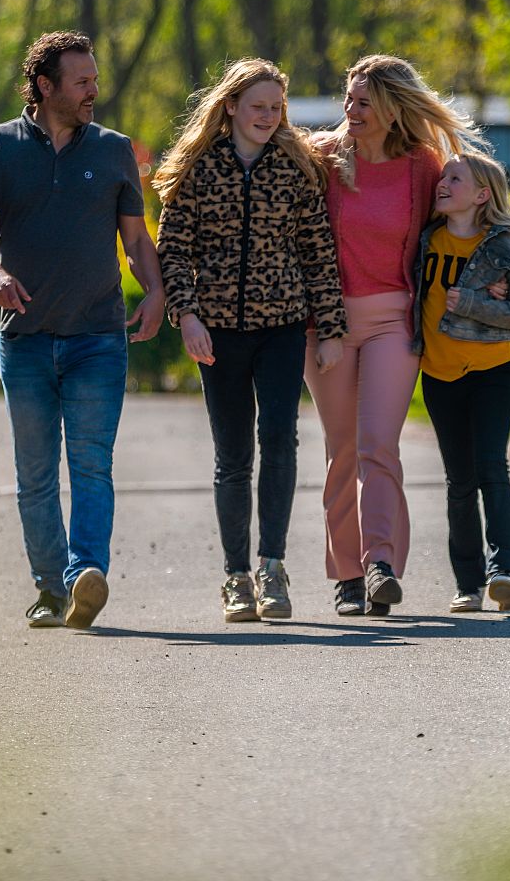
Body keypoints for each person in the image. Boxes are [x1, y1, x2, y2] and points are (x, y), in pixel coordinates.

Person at [0, 30, 164, 630]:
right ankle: (51, 589)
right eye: (82, 81)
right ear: (46, 87)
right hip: (23, 343)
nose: (94, 90)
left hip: (98, 338)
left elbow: (135, 239)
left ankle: (85, 575)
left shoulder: (114, 149)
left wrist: (154, 292)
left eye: (95, 79)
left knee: (92, 465)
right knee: (36, 477)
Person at [153, 59, 346, 623]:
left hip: (283, 326)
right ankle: (235, 575)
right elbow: (173, 250)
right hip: (217, 332)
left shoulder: (295, 168)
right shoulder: (196, 171)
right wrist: (186, 316)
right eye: (258, 106)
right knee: (232, 455)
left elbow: (318, 252)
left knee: (280, 441)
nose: (268, 116)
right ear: (231, 106)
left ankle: (272, 567)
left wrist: (331, 329)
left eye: (276, 108)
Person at [305, 54, 487, 616]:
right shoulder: (322, 158)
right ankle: (347, 575)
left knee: (377, 444)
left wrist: (495, 279)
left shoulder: (423, 167)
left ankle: (381, 563)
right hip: (327, 324)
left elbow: (459, 228)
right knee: (340, 451)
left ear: (390, 107)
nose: (350, 110)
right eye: (348, 100)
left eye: (363, 102)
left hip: (393, 318)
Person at [413, 154, 510, 613]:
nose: (442, 183)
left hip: (491, 373)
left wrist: (471, 304)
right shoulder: (426, 240)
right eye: (443, 176)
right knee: (459, 481)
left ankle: (505, 571)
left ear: (482, 194)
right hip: (438, 375)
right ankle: (467, 584)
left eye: (454, 178)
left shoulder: (504, 248)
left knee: (491, 469)